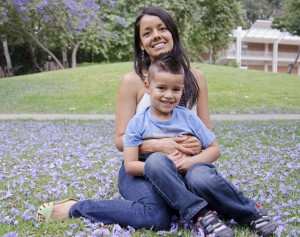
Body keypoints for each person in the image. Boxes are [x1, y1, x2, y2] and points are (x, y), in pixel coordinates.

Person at [36, 6, 277, 237]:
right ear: (141, 44)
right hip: (141, 168)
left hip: (187, 165)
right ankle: (76, 208)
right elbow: (121, 141)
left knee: (200, 180)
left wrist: (194, 148)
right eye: (147, 33)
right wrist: (157, 146)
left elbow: (207, 134)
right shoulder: (133, 81)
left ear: (172, 32)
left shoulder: (196, 78)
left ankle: (242, 213)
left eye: (161, 28)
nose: (156, 36)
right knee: (156, 217)